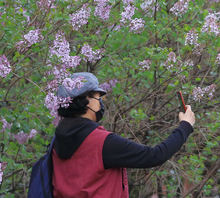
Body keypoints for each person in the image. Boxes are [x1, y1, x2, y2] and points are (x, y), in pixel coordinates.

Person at [52, 72, 196, 198]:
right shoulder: (102, 142)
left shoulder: (57, 141)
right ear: (86, 100)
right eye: (98, 98)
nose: (101, 103)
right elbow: (155, 156)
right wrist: (185, 126)